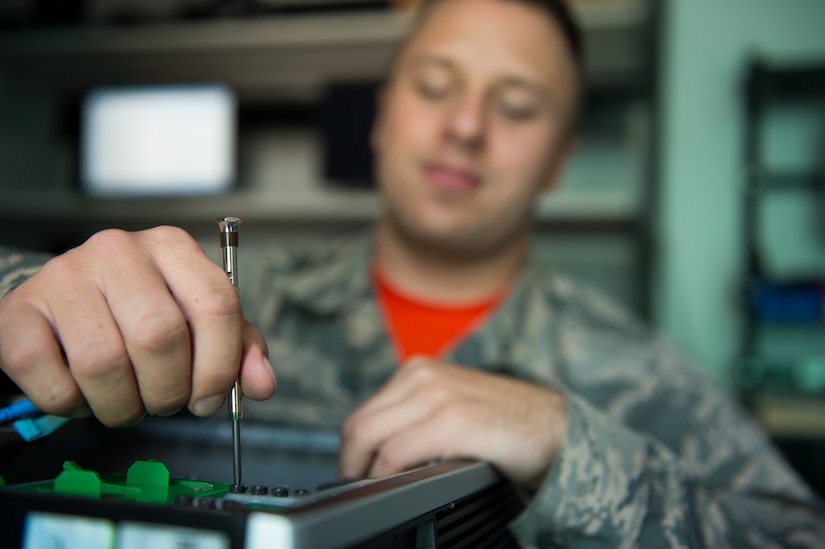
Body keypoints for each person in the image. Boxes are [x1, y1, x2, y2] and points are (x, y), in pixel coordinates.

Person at [1, 0, 824, 545]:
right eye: (436, 87)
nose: (466, 125)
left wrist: (569, 446)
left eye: (516, 106)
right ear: (383, 121)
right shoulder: (218, 303)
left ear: (557, 161)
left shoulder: (636, 372)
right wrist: (21, 304)